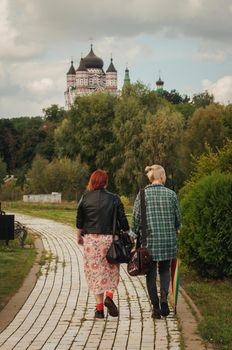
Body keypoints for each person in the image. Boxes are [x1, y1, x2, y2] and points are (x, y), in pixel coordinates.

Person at [76, 169, 129, 319]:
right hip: (110, 240)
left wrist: (79, 238)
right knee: (112, 270)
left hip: (91, 241)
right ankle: (109, 297)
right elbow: (123, 221)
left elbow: (79, 221)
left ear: (92, 182)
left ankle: (99, 310)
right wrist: (127, 231)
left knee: (94, 273)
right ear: (106, 182)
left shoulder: (85, 198)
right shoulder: (114, 198)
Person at [131, 164, 181, 319]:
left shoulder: (142, 195)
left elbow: (136, 219)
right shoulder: (171, 194)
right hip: (168, 241)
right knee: (165, 271)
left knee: (150, 275)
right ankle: (164, 299)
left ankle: (155, 308)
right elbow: (177, 219)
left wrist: (133, 236)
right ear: (162, 176)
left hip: (149, 243)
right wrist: (177, 228)